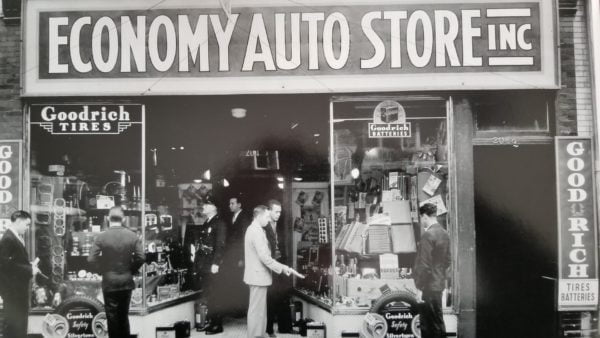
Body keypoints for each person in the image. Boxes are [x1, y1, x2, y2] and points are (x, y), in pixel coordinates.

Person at [244, 205, 302, 338]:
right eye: (266, 217)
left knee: (260, 311)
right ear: (258, 216)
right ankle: (255, 336)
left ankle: (260, 334)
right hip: (258, 277)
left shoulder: (255, 229)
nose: (268, 219)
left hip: (257, 276)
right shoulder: (256, 231)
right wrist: (284, 268)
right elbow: (265, 257)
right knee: (257, 311)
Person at [88, 206, 145, 338]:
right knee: (124, 317)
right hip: (126, 281)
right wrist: (131, 270)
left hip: (109, 282)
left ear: (108, 219)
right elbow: (141, 257)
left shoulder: (102, 237)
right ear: (123, 219)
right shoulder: (132, 236)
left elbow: (91, 259)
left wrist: (102, 270)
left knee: (112, 319)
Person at [0, 210, 40, 338]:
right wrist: (29, 270)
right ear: (18, 221)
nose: (27, 228)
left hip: (16, 290)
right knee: (14, 325)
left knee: (19, 324)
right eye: (26, 225)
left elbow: (15, 262)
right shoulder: (8, 238)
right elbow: (5, 265)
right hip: (13, 291)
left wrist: (29, 264)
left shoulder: (13, 236)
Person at [413, 203, 451, 338]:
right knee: (438, 322)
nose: (421, 221)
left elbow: (424, 265)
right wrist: (438, 273)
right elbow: (447, 260)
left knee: (428, 325)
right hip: (439, 285)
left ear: (424, 217)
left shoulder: (428, 235)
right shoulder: (444, 233)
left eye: (421, 218)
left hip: (428, 287)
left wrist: (419, 288)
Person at [265, 199, 292, 336]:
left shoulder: (280, 225)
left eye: (280, 212)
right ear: (268, 211)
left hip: (281, 263)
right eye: (276, 212)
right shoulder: (263, 226)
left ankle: (285, 327)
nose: (278, 214)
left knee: (284, 294)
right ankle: (269, 330)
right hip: (270, 265)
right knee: (270, 297)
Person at [200, 203, 227, 335]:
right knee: (209, 294)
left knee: (215, 294)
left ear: (214, 208)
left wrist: (216, 263)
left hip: (213, 265)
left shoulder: (219, 223)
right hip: (206, 264)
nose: (203, 207)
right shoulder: (207, 222)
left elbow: (220, 244)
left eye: (206, 205)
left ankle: (217, 325)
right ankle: (211, 322)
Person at [222, 195, 251, 314]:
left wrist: (242, 258)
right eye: (229, 203)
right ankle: (237, 308)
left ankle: (241, 309)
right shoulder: (232, 217)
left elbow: (244, 240)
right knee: (234, 280)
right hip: (232, 256)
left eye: (232, 203)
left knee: (240, 281)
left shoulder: (244, 218)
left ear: (239, 205)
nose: (230, 205)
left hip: (239, 256)